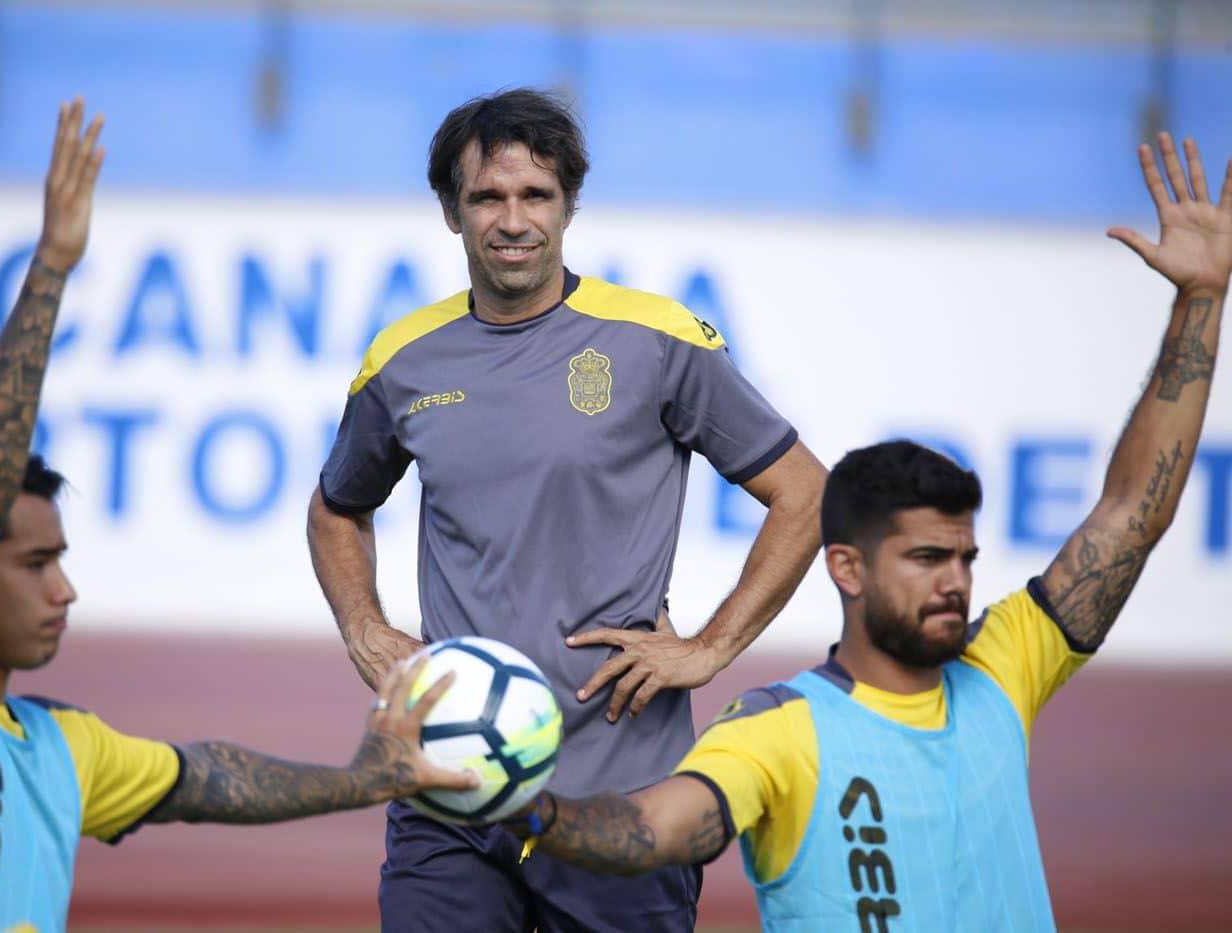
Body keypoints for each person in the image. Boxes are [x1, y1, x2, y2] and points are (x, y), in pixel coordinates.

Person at [497, 133, 1232, 931]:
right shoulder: (783, 727)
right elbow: (653, 829)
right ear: (844, 566)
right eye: (925, 558)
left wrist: (1200, 298)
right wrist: (525, 811)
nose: (955, 579)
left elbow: (1132, 514)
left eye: (963, 557)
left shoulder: (1005, 664)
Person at [0, 98, 477, 933]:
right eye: (34, 564)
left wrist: (369, 777)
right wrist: (54, 269)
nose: (64, 590)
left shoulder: (66, 750)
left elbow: (208, 778)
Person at [307, 87, 827, 930]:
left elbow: (805, 493)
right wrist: (365, 627)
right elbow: (336, 508)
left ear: (569, 204)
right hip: (449, 787)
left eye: (535, 195)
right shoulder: (401, 361)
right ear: (451, 210)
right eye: (487, 197)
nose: (513, 220)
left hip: (623, 803)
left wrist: (708, 647)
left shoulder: (659, 341)